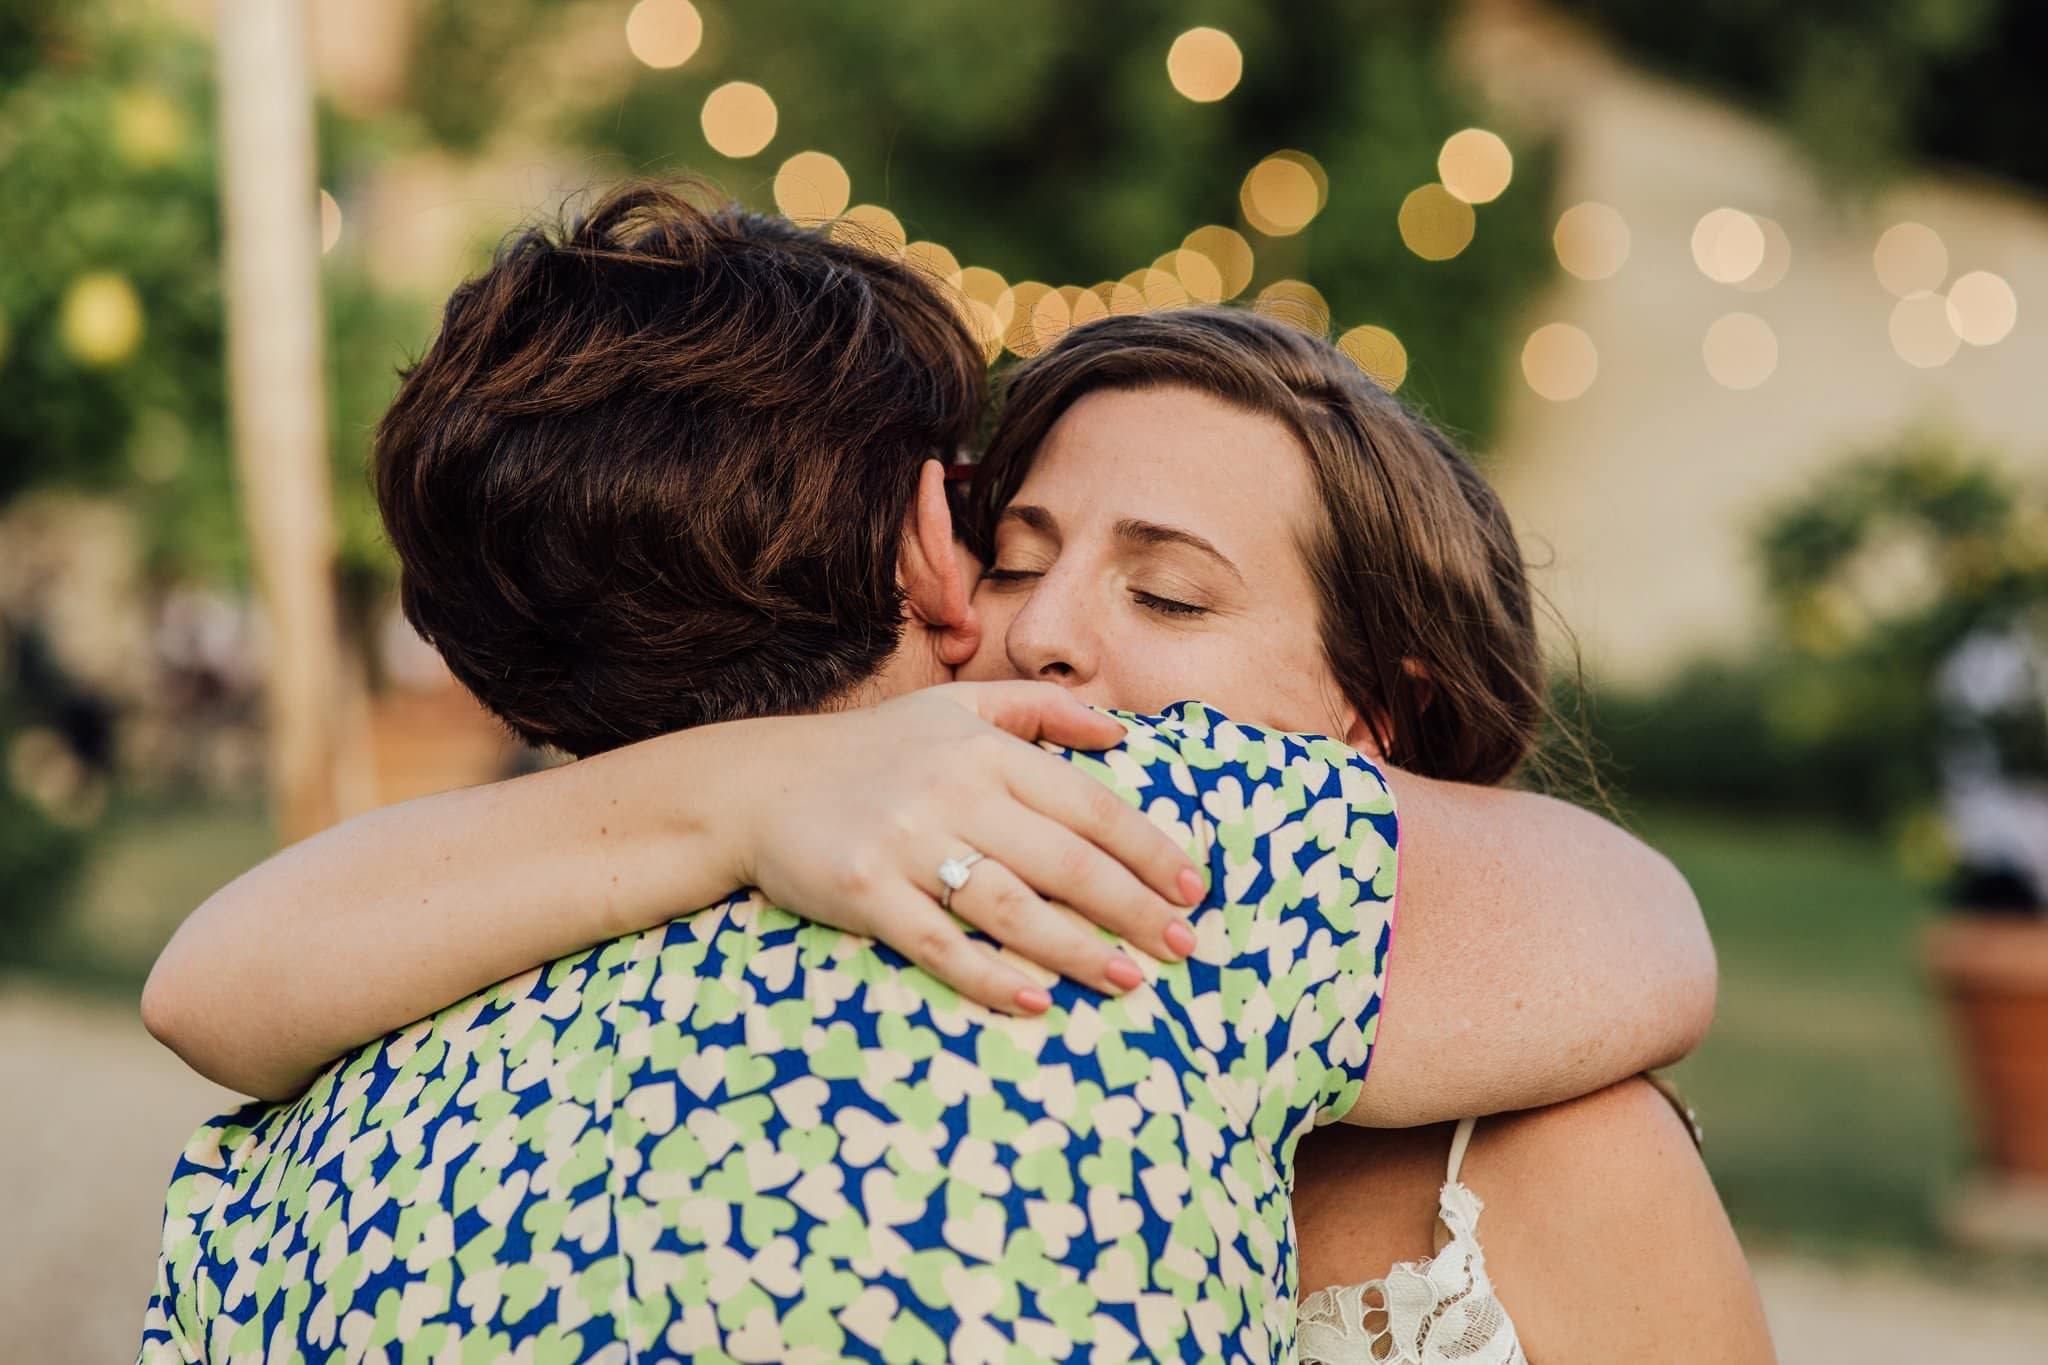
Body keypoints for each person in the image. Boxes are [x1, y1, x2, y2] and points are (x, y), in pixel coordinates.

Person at [138, 186, 1742, 1363]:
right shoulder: (1016, 845)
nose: (1042, 630)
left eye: (1168, 595)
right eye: (1015, 545)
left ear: (1377, 719)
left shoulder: (363, 1046)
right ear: (929, 554)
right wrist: (765, 788)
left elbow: (203, 981)